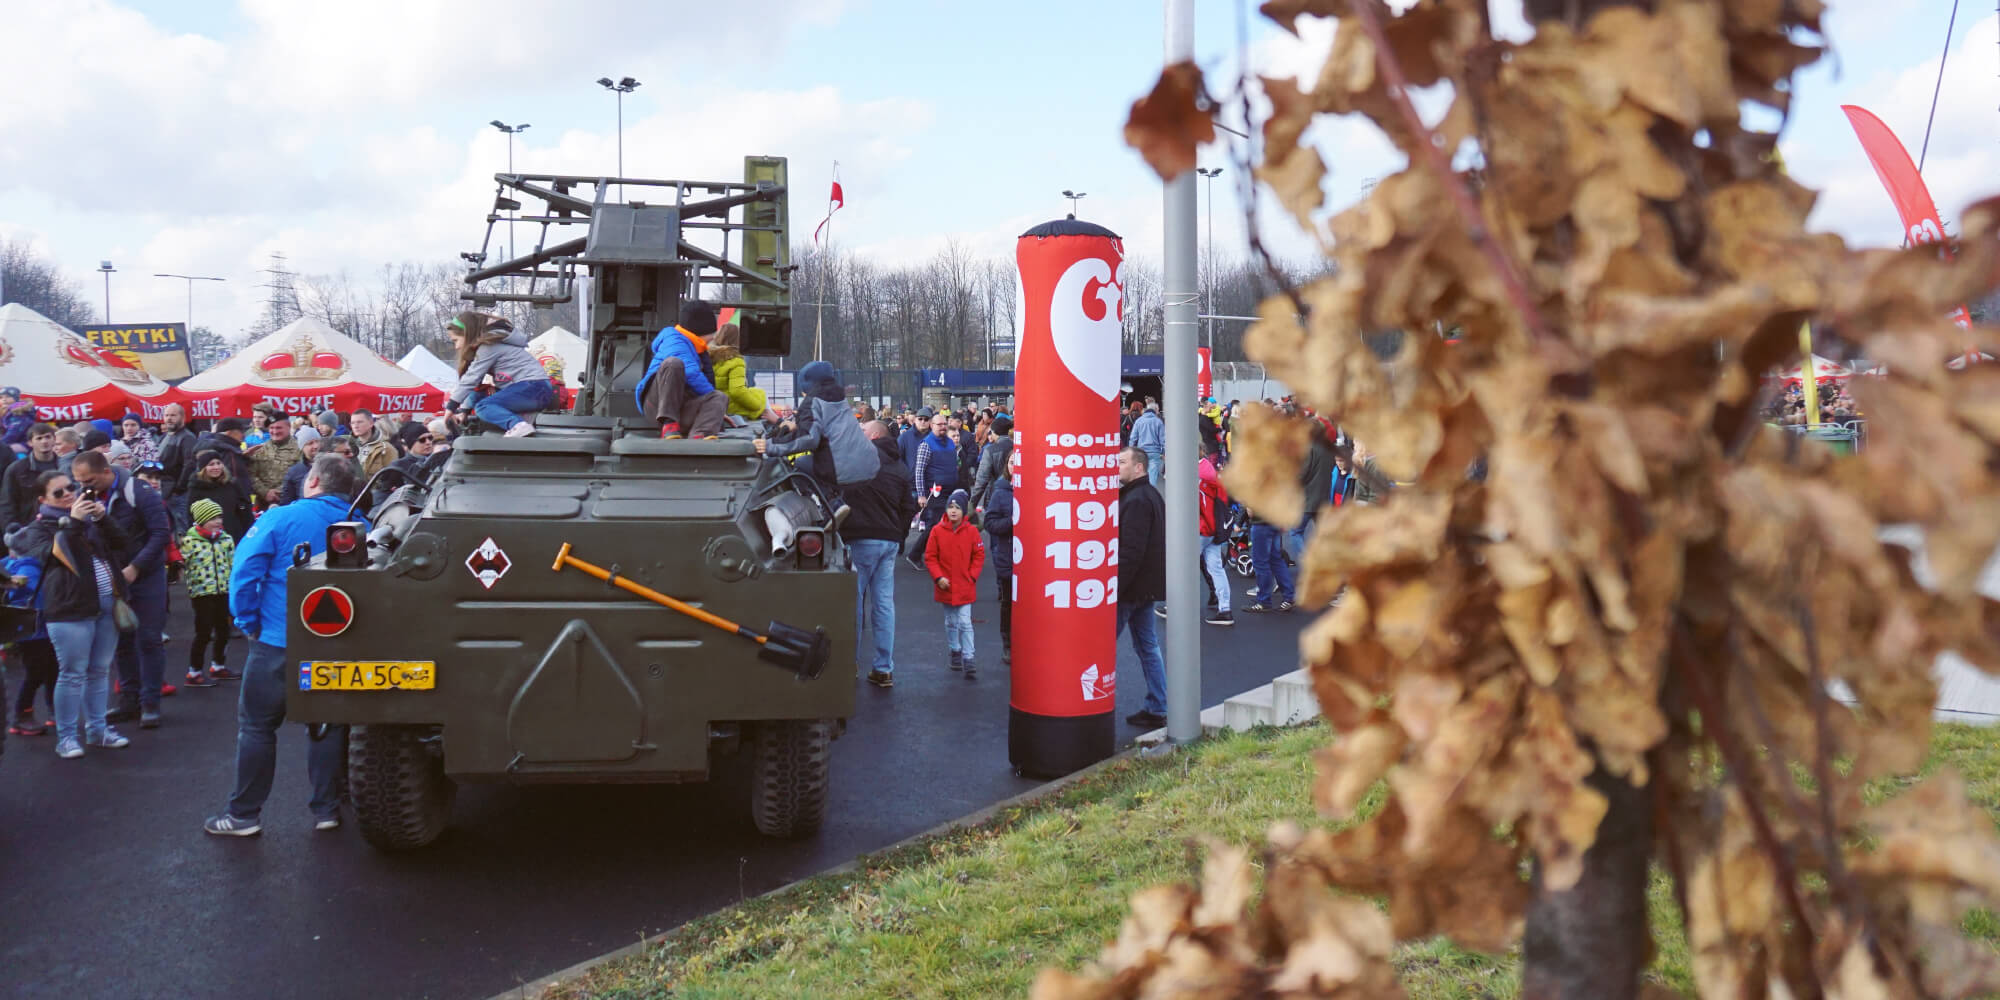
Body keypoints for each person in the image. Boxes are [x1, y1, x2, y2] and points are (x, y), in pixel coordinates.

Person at [204, 453, 368, 837]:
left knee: (258, 728)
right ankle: (326, 809)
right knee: (326, 725)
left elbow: (244, 574)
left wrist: (247, 622)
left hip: (277, 640)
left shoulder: (279, 518)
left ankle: (244, 815)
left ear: (312, 481)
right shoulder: (362, 525)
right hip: (336, 644)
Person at [13, 470, 131, 758]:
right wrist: (75, 522)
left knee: (99, 671)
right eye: (59, 492)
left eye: (70, 488)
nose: (68, 494)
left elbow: (122, 544)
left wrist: (102, 518)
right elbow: (58, 556)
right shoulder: (35, 531)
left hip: (106, 602)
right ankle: (66, 737)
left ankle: (98, 729)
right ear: (42, 499)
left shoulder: (88, 519)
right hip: (69, 608)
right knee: (72, 673)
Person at [72, 450, 174, 728]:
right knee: (122, 640)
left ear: (107, 471)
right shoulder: (88, 496)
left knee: (149, 637)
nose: (85, 486)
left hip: (146, 574)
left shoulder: (138, 491)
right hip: (113, 574)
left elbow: (160, 534)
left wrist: (136, 567)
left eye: (89, 480)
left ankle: (150, 702)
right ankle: (130, 699)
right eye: (79, 481)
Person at [841, 421, 915, 688]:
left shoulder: (858, 461)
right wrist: (900, 534)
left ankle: (850, 664)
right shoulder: (899, 467)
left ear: (873, 435)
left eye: (862, 432)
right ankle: (884, 668)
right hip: (889, 540)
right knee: (884, 604)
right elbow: (908, 507)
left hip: (859, 538)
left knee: (855, 604)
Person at [754, 361, 878, 505]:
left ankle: (828, 505)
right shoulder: (839, 397)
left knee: (800, 464)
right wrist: (793, 425)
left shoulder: (812, 401)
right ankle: (836, 499)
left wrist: (769, 445)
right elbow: (828, 426)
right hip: (870, 464)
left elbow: (808, 438)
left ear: (807, 385)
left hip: (842, 471)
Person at [1115, 448, 1168, 728]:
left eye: (1122, 462)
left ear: (1139, 467)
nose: (1117, 466)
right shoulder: (1150, 495)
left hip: (1130, 590)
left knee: (1098, 646)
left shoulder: (1135, 501)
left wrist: (1114, 589)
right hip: (1145, 588)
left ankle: (1086, 701)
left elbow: (1130, 552)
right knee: (1148, 646)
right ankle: (1158, 705)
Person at [445, 312, 557, 439]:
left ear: (467, 335)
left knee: (483, 406)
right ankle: (515, 422)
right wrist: (463, 411)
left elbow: (471, 378)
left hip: (534, 387)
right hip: (532, 388)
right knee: (478, 395)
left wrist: (451, 408)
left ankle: (518, 425)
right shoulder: (492, 346)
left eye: (456, 340)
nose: (457, 346)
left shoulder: (489, 347)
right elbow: (473, 386)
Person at [636, 301, 727, 439]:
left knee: (720, 397)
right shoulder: (673, 339)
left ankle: (700, 435)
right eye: (711, 333)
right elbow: (691, 373)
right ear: (700, 330)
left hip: (681, 407)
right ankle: (668, 422)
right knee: (674, 364)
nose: (713, 337)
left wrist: (717, 409)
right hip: (656, 405)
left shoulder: (697, 349)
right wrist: (710, 395)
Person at [923, 489, 986, 680]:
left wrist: (972, 576)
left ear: (964, 512)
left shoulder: (972, 532)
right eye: (950, 507)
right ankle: (955, 650)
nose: (953, 511)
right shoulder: (937, 531)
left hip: (965, 585)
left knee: (965, 622)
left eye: (957, 508)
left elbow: (979, 555)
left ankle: (969, 657)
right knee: (951, 621)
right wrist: (938, 577)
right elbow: (930, 557)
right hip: (946, 586)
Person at [180, 498, 236, 688]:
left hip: (223, 590)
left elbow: (232, 563)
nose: (218, 521)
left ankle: (218, 666)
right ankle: (194, 672)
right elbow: (182, 564)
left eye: (220, 516)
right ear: (202, 520)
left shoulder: (226, 539)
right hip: (202, 593)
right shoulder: (189, 542)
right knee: (203, 633)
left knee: (223, 630)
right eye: (213, 517)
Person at [5, 528, 56, 736]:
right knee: (36, 674)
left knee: (51, 671)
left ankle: (54, 711)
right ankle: (22, 716)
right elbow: (43, 599)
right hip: (35, 633)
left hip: (31, 632)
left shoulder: (13, 565)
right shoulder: (30, 569)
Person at [906, 411, 960, 570]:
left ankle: (939, 556)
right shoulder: (926, 445)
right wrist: (921, 495)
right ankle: (915, 554)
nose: (943, 427)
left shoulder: (950, 443)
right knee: (936, 525)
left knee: (947, 525)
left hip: (951, 491)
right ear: (931, 426)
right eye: (939, 424)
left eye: (945, 424)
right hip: (935, 493)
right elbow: (919, 471)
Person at [982, 445, 1016, 664]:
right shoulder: (1001, 490)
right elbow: (990, 523)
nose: (1017, 466)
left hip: (1035, 561)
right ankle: (1008, 644)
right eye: (1013, 462)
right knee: (1009, 604)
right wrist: (1013, 523)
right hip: (1008, 556)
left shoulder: (1040, 488)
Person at [1197, 443, 1234, 626]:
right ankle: (1224, 609)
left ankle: (1176, 607)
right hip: (1215, 528)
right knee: (1216, 568)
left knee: (1181, 568)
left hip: (1202, 528)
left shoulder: (1197, 475)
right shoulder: (1208, 470)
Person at [707, 324, 775, 422]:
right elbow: (737, 391)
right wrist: (756, 406)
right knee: (761, 394)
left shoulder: (707, 357)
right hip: (729, 406)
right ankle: (775, 425)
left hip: (712, 403)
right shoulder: (736, 360)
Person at [2, 423, 62, 527]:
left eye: (48, 437)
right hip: (28, 527)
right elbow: (7, 503)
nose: (44, 441)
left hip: (60, 524)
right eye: (39, 438)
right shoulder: (16, 469)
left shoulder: (64, 466)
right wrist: (12, 530)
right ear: (30, 443)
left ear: (54, 439)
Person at [186, 450, 253, 541]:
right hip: (209, 539)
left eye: (219, 463)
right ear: (203, 468)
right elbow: (191, 516)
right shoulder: (196, 488)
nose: (216, 467)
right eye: (211, 464)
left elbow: (245, 510)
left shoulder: (232, 484)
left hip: (234, 536)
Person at [247, 415, 304, 507]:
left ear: (289, 427)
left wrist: (280, 493)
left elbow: (302, 475)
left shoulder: (300, 448)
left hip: (291, 504)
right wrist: (265, 492)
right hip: (263, 505)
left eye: (279, 428)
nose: (275, 431)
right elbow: (250, 474)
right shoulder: (260, 449)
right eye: (271, 428)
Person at [155, 404, 197, 497]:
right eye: (166, 415)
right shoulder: (164, 437)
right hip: (164, 490)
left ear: (182, 417)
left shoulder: (187, 437)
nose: (169, 418)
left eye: (173, 415)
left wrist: (178, 489)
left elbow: (189, 465)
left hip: (177, 494)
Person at [279, 432, 324, 506]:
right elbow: (286, 502)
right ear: (302, 448)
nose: (316, 446)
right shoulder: (294, 471)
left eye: (317, 441)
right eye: (310, 443)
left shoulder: (331, 465)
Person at [1127, 400, 1165, 487]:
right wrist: (1164, 452)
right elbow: (1163, 440)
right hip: (1155, 452)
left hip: (1141, 452)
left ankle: (1141, 494)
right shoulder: (1158, 421)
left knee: (1141, 475)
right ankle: (1150, 495)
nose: (1158, 411)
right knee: (1152, 476)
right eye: (1158, 410)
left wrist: (1130, 450)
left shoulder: (1139, 421)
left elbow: (1133, 438)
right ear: (1155, 410)